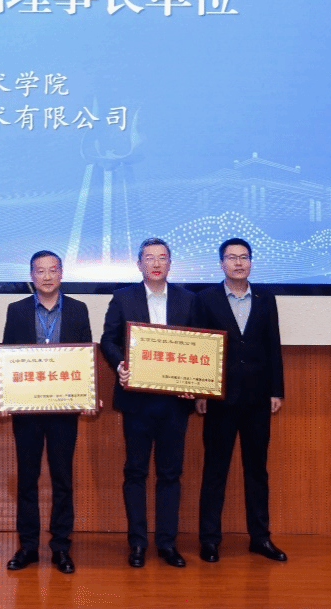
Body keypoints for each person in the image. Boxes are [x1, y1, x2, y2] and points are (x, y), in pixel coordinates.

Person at [99, 238, 197, 569]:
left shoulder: (188, 299)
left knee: (170, 474)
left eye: (162, 258)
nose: (156, 263)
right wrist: (120, 364)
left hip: (175, 402)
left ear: (170, 263)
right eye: (149, 258)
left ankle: (167, 543)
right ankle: (138, 543)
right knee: (135, 472)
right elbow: (108, 339)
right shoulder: (123, 298)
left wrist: (194, 384)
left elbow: (199, 344)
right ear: (139, 264)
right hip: (137, 402)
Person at [194, 238, 287, 563]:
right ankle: (209, 540)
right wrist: (201, 393)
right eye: (231, 258)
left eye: (244, 257)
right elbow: (200, 348)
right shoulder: (205, 299)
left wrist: (276, 390)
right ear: (221, 264)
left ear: (251, 262)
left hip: (258, 398)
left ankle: (260, 538)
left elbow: (273, 344)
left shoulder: (265, 298)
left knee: (257, 470)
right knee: (215, 470)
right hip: (220, 399)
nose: (238, 263)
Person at [1, 250, 92, 574]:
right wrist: (4, 395)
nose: (47, 276)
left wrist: (88, 394)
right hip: (27, 410)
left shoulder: (79, 309)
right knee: (27, 479)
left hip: (64, 410)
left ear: (62, 273)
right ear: (32, 275)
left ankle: (61, 547)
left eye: (53, 270)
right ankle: (27, 546)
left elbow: (85, 357)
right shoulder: (17, 310)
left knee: (62, 478)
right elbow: (8, 356)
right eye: (40, 271)